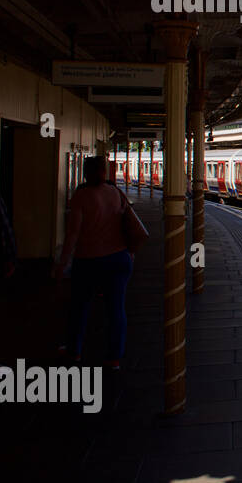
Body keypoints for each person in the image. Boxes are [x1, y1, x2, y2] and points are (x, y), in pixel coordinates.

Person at [53, 156, 146, 369]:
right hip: (118, 259)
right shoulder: (116, 193)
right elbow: (128, 224)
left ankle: (74, 351)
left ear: (85, 172)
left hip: (88, 261)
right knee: (116, 309)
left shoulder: (81, 196)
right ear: (104, 172)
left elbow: (73, 234)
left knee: (79, 307)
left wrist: (62, 263)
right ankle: (114, 358)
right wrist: (130, 252)